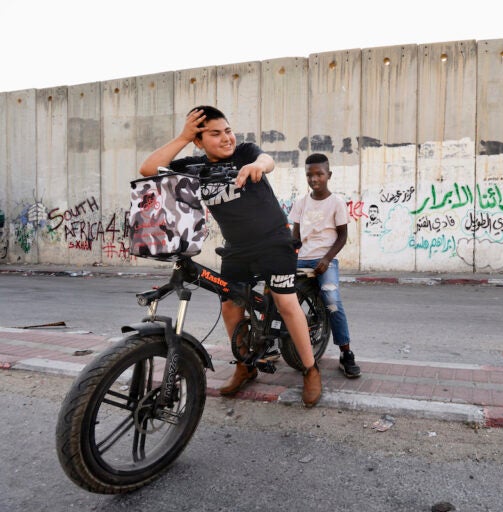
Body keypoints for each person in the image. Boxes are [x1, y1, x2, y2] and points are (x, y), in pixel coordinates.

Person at [138, 105, 322, 407]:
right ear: (199, 142)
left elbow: (267, 159)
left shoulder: (245, 153)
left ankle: (311, 369)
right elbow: (148, 170)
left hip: (274, 241)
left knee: (286, 303)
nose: (226, 138)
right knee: (230, 307)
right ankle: (245, 365)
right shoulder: (194, 167)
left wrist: (258, 167)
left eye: (228, 130)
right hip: (237, 247)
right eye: (215, 133)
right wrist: (184, 135)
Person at [289, 153, 362, 378]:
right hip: (302, 259)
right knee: (281, 298)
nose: (314, 179)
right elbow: (296, 235)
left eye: (319, 174)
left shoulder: (336, 203)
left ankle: (346, 353)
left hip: (325, 260)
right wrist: (290, 256)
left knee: (332, 301)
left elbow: (342, 236)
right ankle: (277, 345)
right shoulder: (301, 203)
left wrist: (327, 259)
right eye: (309, 175)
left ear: (328, 175)